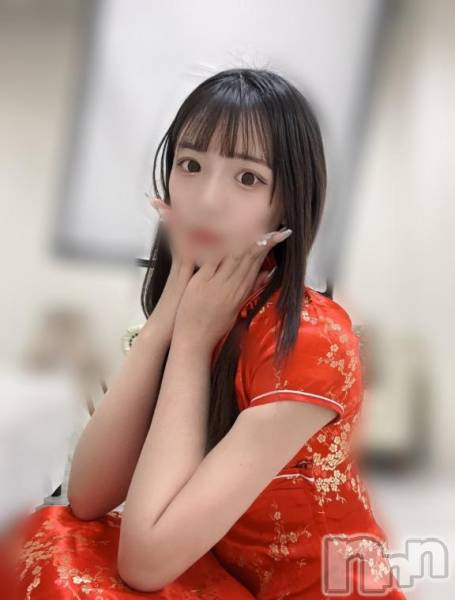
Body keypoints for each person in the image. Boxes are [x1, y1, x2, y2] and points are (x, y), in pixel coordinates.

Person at [4, 68, 407, 599]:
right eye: (190, 165)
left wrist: (192, 344)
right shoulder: (208, 301)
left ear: (288, 201)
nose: (207, 200)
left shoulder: (311, 340)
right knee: (50, 536)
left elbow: (145, 562)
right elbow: (89, 495)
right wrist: (171, 307)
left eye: (247, 178)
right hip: (222, 574)